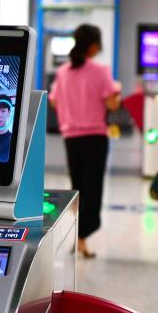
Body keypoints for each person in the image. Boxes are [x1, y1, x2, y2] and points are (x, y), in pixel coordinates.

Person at [49, 24, 121, 258]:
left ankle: (76, 238)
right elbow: (112, 104)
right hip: (94, 137)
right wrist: (116, 91)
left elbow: (54, 101)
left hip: (71, 137)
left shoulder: (63, 72)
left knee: (77, 187)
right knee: (93, 188)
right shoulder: (101, 71)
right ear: (93, 45)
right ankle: (82, 237)